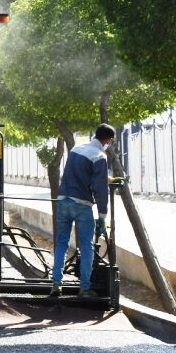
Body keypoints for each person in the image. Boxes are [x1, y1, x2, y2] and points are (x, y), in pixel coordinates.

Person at [50, 123, 115, 298]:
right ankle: (84, 288)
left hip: (63, 200)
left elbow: (77, 172)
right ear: (108, 139)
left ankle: (56, 284)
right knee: (86, 246)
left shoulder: (76, 149)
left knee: (61, 243)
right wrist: (102, 216)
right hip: (82, 204)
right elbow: (100, 189)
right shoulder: (100, 156)